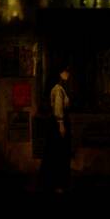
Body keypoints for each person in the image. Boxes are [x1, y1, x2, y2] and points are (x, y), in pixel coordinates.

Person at [39, 64, 72, 194]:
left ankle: (54, 182)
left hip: (57, 123)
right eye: (65, 71)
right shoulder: (58, 89)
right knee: (59, 153)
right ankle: (57, 183)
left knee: (56, 153)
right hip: (58, 124)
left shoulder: (60, 88)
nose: (68, 74)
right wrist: (61, 125)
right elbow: (58, 109)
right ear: (60, 73)